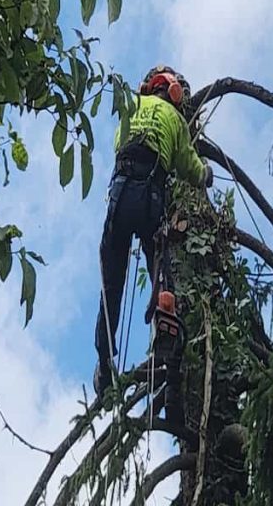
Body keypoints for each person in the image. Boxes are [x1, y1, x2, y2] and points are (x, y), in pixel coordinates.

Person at [93, 65, 213, 394]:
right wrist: (205, 174)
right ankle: (166, 331)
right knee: (160, 269)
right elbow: (188, 165)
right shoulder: (175, 119)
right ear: (175, 95)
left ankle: (105, 361)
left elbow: (121, 144)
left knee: (111, 283)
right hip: (151, 199)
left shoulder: (131, 108)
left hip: (120, 196)